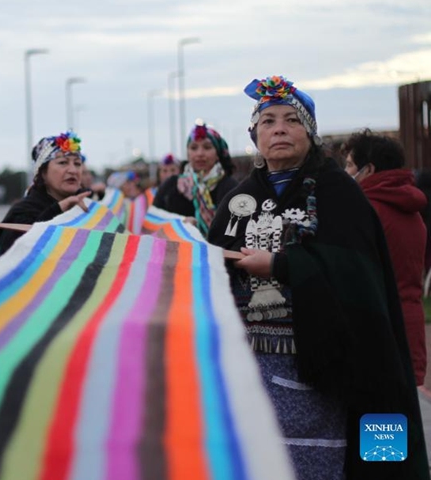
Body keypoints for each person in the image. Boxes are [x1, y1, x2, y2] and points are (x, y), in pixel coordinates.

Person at [208, 75, 428, 480]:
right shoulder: (238, 200)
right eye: (268, 120)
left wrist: (280, 265)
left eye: (291, 120)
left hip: (328, 368)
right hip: (250, 366)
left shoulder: (338, 194)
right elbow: (207, 275)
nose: (279, 128)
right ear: (254, 134)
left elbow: (357, 275)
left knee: (335, 462)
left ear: (310, 133)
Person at [343, 129, 428, 386]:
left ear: (367, 170)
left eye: (349, 165)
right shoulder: (409, 208)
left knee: (374, 420)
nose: (345, 173)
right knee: (391, 421)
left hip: (375, 334)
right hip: (407, 327)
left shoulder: (365, 211)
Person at [0, 131, 90, 259]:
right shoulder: (22, 214)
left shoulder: (84, 206)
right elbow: (12, 261)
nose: (73, 170)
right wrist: (57, 209)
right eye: (63, 163)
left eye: (77, 163)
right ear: (43, 172)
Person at [152, 121, 237, 236]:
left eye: (207, 147)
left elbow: (236, 229)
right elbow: (153, 220)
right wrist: (178, 224)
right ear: (188, 153)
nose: (200, 153)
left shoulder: (230, 187)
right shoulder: (171, 185)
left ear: (218, 153)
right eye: (194, 148)